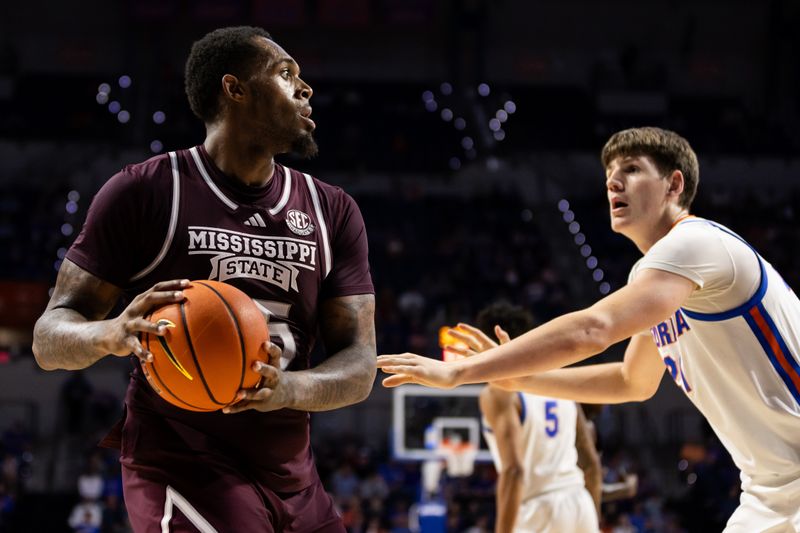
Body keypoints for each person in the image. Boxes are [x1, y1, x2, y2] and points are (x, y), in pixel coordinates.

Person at [33, 26, 376, 532]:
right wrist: (110, 334)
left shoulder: (332, 210)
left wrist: (288, 389)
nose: (305, 89)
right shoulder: (146, 191)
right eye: (286, 75)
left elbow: (360, 364)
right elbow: (47, 338)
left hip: (295, 477)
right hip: (181, 464)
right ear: (234, 89)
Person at [378, 127, 800, 532]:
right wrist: (522, 378)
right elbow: (630, 380)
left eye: (631, 169)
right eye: (609, 174)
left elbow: (595, 328)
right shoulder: (660, 280)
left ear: (674, 185)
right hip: (769, 490)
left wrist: (461, 372)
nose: (614, 181)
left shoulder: (695, 243)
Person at [461, 302, 601, 532]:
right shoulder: (558, 381)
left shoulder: (498, 394)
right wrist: (590, 519)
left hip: (539, 509)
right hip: (580, 502)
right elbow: (591, 463)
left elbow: (514, 470)